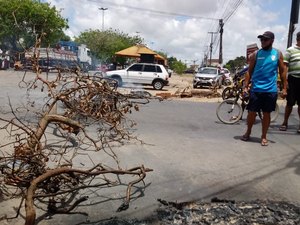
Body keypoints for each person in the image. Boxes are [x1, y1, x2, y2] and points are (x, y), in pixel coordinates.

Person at [241, 31, 287, 146]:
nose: (262, 42)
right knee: (251, 112)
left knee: (267, 114)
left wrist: (285, 88)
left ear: (272, 41)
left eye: (265, 39)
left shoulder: (278, 54)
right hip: (256, 89)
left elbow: (282, 71)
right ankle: (248, 131)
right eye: (261, 39)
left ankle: (264, 136)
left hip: (270, 90)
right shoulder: (256, 54)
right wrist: (245, 86)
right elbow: (249, 71)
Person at [279, 31, 300, 133]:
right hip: (293, 79)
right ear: (298, 39)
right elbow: (285, 67)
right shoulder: (290, 50)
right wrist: (285, 82)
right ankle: (285, 122)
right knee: (290, 103)